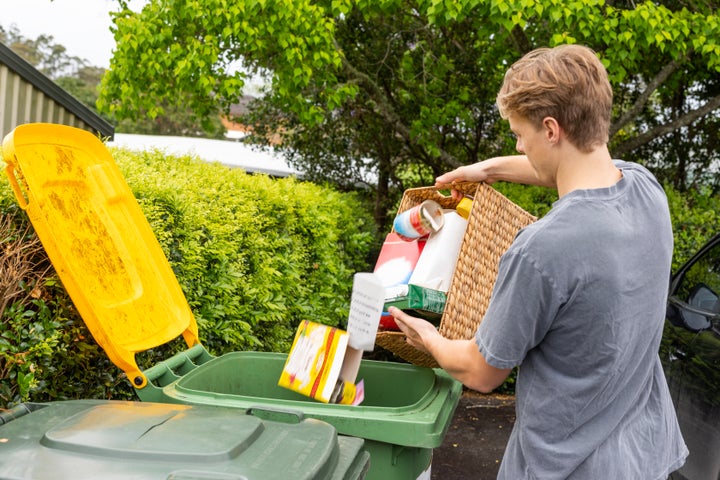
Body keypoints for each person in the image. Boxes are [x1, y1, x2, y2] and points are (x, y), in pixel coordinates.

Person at [388, 44, 688, 479]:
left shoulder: (541, 250)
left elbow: (481, 370)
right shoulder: (646, 190)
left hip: (565, 468)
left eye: (518, 134)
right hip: (643, 457)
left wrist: (428, 339)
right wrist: (488, 169)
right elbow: (575, 167)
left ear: (550, 129)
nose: (519, 145)